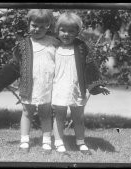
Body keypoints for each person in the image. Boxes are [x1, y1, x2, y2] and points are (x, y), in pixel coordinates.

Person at [0, 9, 59, 153]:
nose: (37, 29)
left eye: (42, 26)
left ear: (48, 26)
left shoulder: (54, 44)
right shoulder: (23, 45)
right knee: (26, 112)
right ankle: (24, 141)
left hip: (47, 86)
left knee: (46, 114)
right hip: (28, 86)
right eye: (34, 25)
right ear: (29, 24)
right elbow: (13, 67)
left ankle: (47, 141)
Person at [51, 12, 110, 155]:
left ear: (77, 32)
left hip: (77, 88)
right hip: (58, 87)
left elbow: (90, 67)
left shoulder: (81, 47)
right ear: (57, 30)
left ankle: (81, 142)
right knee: (59, 116)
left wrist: (97, 85)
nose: (66, 34)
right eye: (63, 30)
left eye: (71, 31)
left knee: (78, 117)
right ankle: (59, 143)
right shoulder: (53, 46)